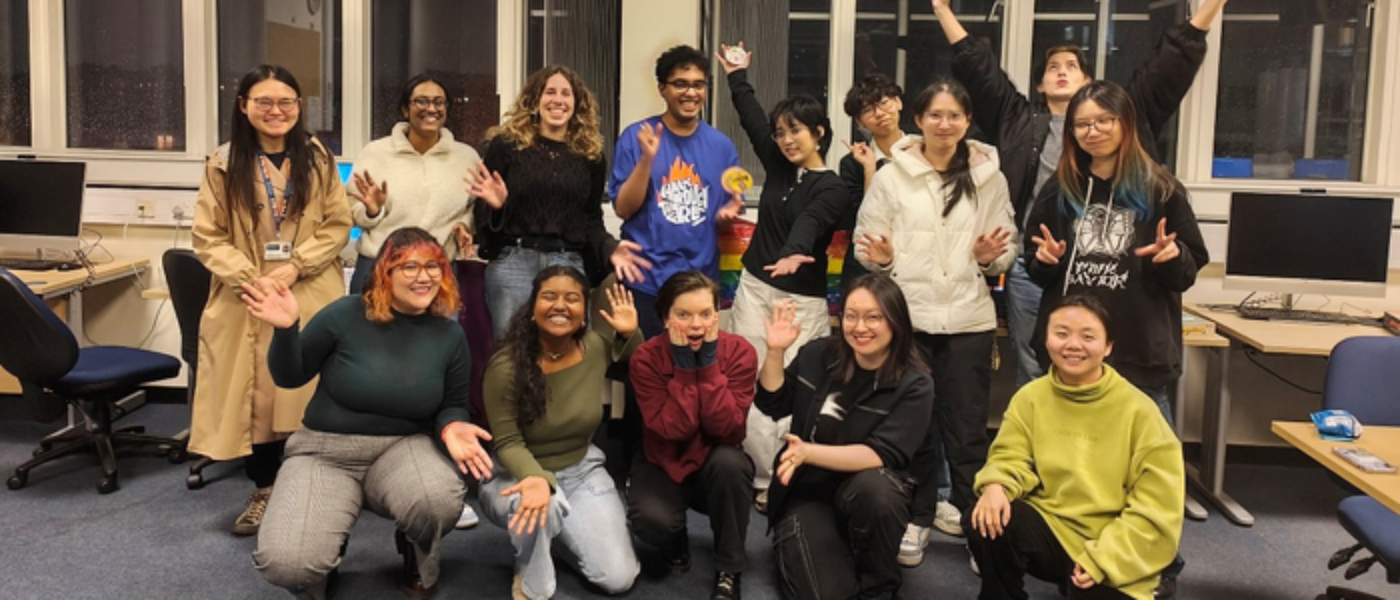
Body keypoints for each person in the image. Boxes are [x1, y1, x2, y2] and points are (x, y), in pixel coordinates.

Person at [931, 0, 1227, 391]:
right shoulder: (1019, 122)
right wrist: (941, 10)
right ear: (1040, 85)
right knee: (1040, 370)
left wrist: (1210, 9)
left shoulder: (1137, 138)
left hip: (1122, 273)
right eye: (1053, 68)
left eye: (1072, 66)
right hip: (1042, 265)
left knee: (1126, 380)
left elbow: (1168, 66)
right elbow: (978, 69)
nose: (1061, 72)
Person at [1024, 80, 1208, 598]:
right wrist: (1042, 261)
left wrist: (1175, 259)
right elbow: (1035, 264)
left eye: (1103, 120)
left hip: (1138, 351)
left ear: (1125, 123)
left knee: (1155, 466)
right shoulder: (1058, 189)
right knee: (1080, 464)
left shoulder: (1160, 188)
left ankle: (1160, 562)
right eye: (1082, 123)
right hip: (1072, 353)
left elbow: (1190, 268)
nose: (1092, 131)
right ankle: (1086, 551)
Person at [245, 227, 494, 599]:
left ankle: (413, 544)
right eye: (409, 266)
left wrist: (453, 426)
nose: (423, 276)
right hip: (324, 451)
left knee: (438, 502)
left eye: (433, 266)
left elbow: (453, 404)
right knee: (287, 562)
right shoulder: (345, 314)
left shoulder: (448, 334)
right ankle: (324, 554)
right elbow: (290, 376)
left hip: (403, 448)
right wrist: (285, 332)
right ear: (384, 272)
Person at [854, 78, 1017, 567]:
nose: (945, 124)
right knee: (915, 429)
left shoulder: (990, 176)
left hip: (969, 319)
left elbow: (1006, 246)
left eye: (955, 116)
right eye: (935, 115)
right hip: (911, 320)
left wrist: (993, 257)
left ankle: (975, 526)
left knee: (967, 431)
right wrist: (882, 259)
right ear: (919, 120)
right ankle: (918, 519)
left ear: (968, 123)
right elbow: (868, 240)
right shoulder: (891, 175)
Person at [191, 64, 351, 537]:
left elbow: (337, 225)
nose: (275, 111)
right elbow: (207, 237)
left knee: (305, 391)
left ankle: (315, 491)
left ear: (300, 108)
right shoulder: (222, 162)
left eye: (286, 102)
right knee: (255, 400)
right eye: (263, 102)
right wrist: (251, 276)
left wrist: (296, 265)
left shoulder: (318, 157)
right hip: (248, 294)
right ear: (243, 106)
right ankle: (264, 490)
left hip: (307, 285)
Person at [966, 295, 1185, 600]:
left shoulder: (1140, 412)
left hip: (1112, 540)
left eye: (1088, 336)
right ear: (1046, 339)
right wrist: (995, 484)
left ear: (1108, 346)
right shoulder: (1030, 397)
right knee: (984, 516)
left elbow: (1157, 509)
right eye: (1061, 333)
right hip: (1054, 527)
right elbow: (1009, 455)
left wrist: (1103, 558)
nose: (1072, 345)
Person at [715, 42, 849, 512]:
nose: (787, 140)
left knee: (794, 387)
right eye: (781, 133)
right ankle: (758, 474)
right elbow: (751, 118)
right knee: (751, 378)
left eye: (796, 132)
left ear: (819, 133)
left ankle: (787, 472)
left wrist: (794, 252)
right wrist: (736, 75)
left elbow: (811, 222)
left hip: (802, 303)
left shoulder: (834, 186)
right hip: (754, 290)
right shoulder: (776, 163)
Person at [757, 274, 933, 600]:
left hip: (868, 491)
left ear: (895, 320)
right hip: (808, 493)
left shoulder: (915, 382)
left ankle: (878, 583)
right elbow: (772, 402)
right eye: (851, 315)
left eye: (873, 317)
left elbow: (882, 454)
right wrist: (774, 352)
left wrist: (809, 452)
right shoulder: (818, 355)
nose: (859, 327)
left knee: (876, 490)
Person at [478, 267, 642, 600]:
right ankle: (529, 573)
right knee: (543, 502)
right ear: (532, 308)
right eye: (549, 296)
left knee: (617, 578)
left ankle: (553, 535)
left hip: (581, 470)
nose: (560, 305)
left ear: (584, 312)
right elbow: (507, 442)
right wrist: (538, 479)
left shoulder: (594, 347)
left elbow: (641, 364)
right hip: (515, 478)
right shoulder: (505, 366)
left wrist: (630, 333)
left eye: (572, 298)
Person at [472, 65, 651, 338]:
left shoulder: (589, 156)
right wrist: (498, 208)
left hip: (567, 262)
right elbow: (482, 212)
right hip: (514, 263)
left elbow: (590, 220)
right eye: (550, 92)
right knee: (511, 355)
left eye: (566, 94)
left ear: (576, 104)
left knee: (570, 349)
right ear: (534, 100)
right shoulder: (506, 146)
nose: (558, 100)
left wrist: (609, 247)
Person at [627, 271, 757, 600]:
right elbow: (673, 429)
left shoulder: (740, 352)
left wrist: (709, 364)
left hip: (716, 460)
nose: (696, 325)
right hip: (663, 458)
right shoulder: (646, 357)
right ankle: (676, 538)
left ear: (717, 314)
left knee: (732, 464)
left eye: (705, 314)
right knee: (651, 522)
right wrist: (685, 366)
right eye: (683, 315)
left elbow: (728, 429)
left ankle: (729, 565)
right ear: (665, 318)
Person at [611, 45, 745, 338]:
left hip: (698, 286)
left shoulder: (721, 147)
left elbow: (723, 214)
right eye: (680, 84)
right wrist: (647, 160)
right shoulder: (637, 137)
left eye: (698, 85)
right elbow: (623, 209)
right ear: (662, 88)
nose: (690, 93)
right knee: (644, 374)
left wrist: (726, 215)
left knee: (694, 376)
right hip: (644, 280)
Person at [347, 74, 482, 294]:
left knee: (438, 329)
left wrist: (464, 226)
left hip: (437, 270)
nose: (431, 108)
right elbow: (352, 210)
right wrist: (372, 211)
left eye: (439, 102)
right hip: (380, 267)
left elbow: (474, 208)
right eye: (421, 101)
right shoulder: (375, 153)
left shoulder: (466, 158)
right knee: (368, 328)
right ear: (404, 109)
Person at [837, 73, 909, 292]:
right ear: (860, 122)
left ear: (898, 102)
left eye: (884, 103)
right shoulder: (852, 164)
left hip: (914, 260)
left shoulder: (924, 152)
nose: (880, 114)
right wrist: (869, 169)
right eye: (868, 110)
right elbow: (864, 220)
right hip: (866, 265)